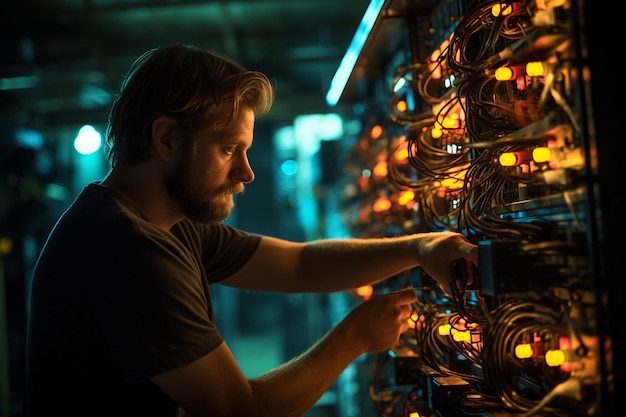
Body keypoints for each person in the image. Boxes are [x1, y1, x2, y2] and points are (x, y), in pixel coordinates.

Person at [25, 43, 478, 417]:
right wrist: (353, 337)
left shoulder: (168, 223)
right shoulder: (127, 248)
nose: (247, 172)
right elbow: (239, 410)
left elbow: (299, 265)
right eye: (228, 149)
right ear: (166, 139)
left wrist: (421, 246)